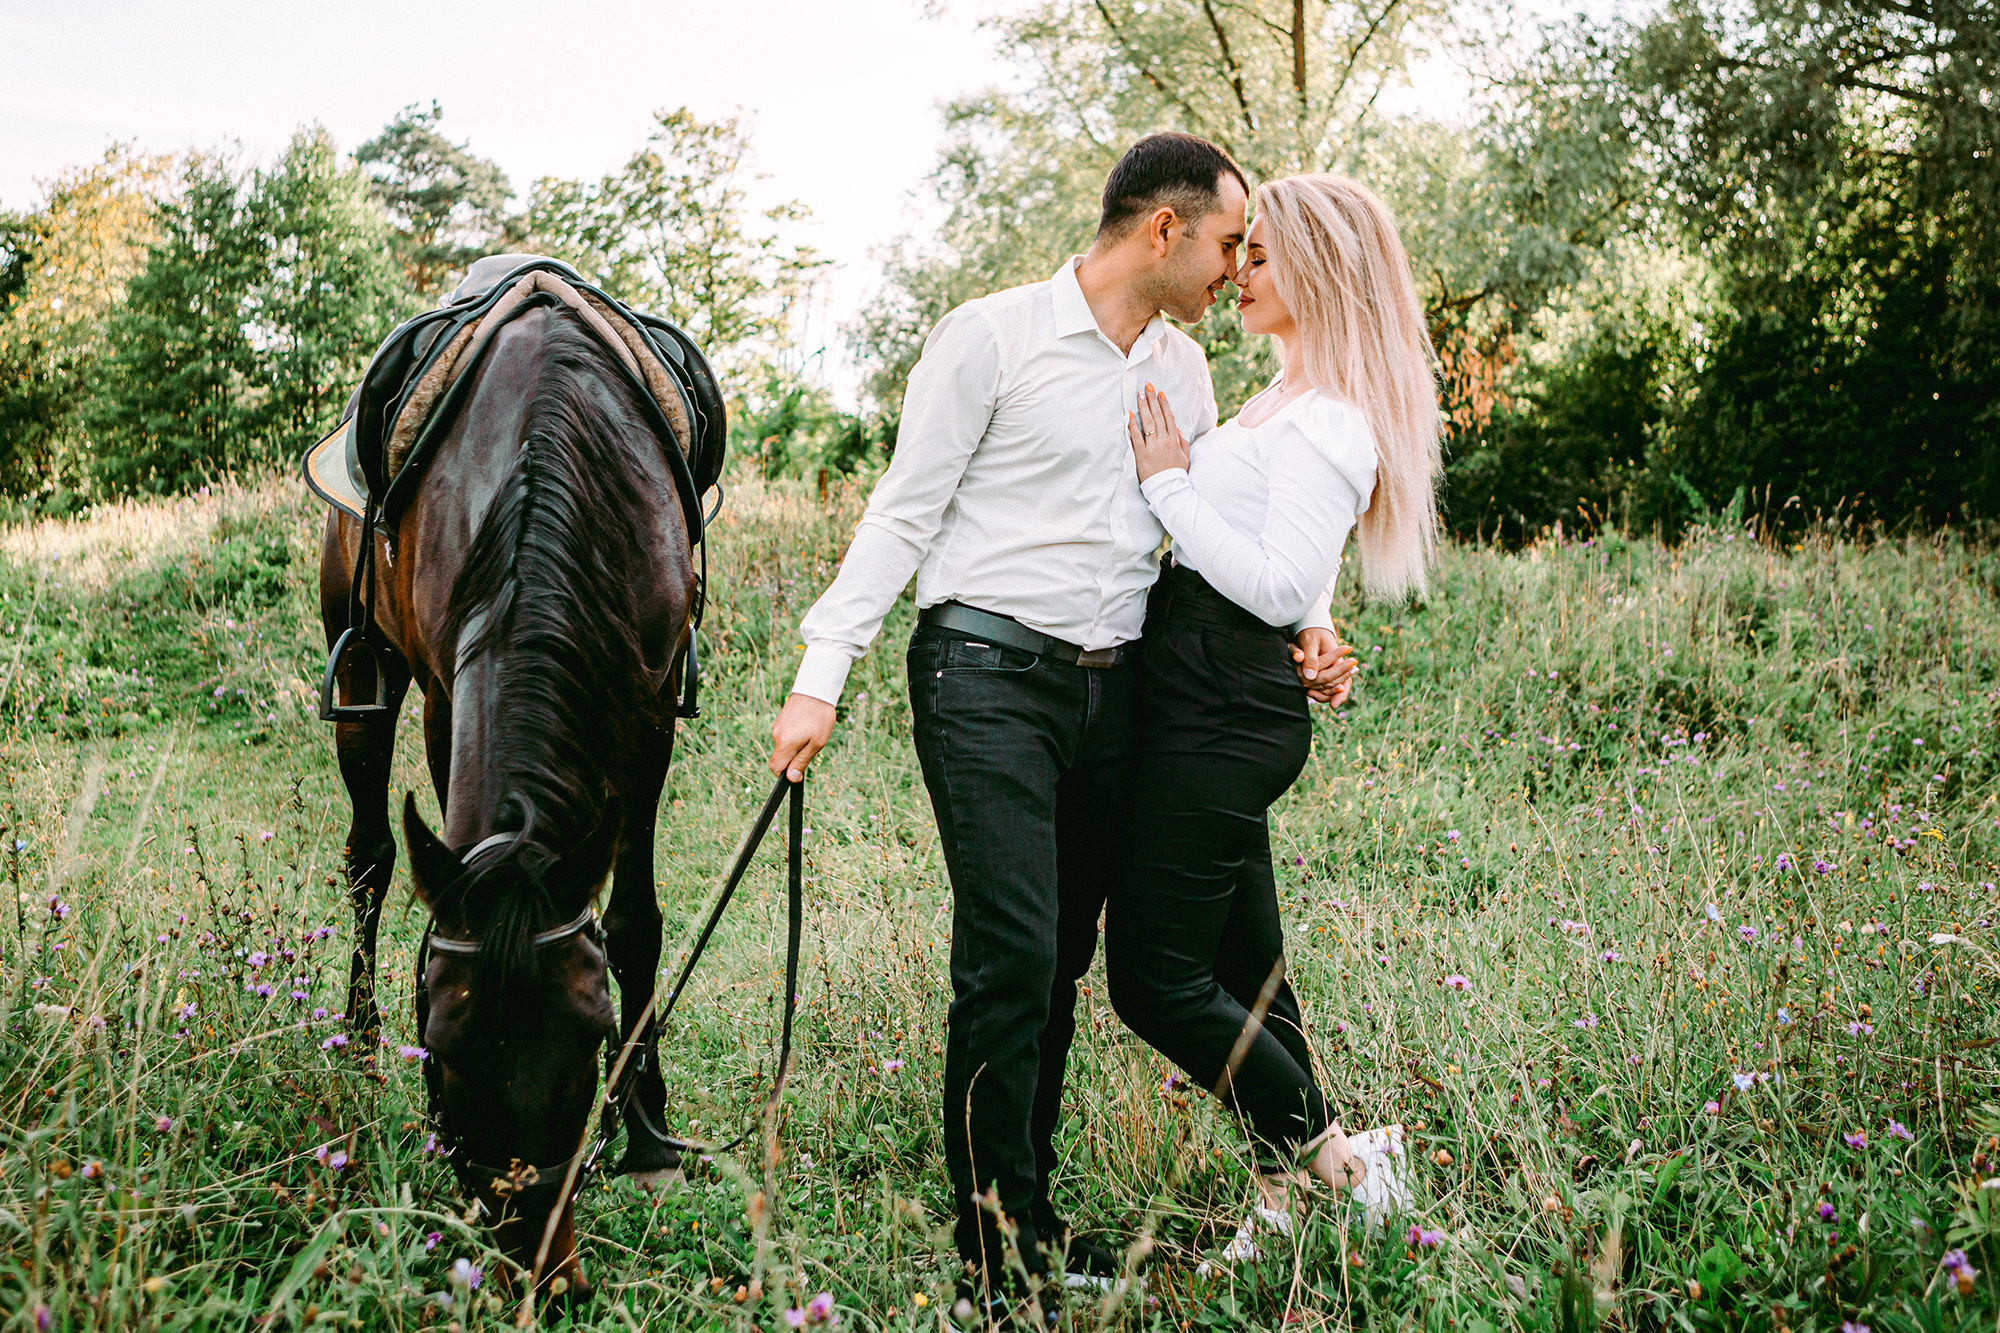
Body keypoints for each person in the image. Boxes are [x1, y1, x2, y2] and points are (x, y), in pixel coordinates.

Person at [765, 133, 1345, 1315]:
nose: (1239, 270)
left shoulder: (1184, 371)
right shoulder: (990, 337)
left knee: (1066, 962)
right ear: (1162, 230)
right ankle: (995, 1264)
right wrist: (823, 671)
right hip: (985, 674)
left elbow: (1216, 525)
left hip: (1119, 688)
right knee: (1011, 957)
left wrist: (1309, 623)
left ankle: (1031, 1227)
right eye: (1230, 243)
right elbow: (901, 512)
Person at [1106, 173, 1442, 1268]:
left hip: (1218, 714)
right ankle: (1293, 1184)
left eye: (1259, 255)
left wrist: (1166, 487)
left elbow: (1269, 571)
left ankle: (1341, 1171)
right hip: (1209, 693)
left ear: (1321, 271)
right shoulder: (1281, 401)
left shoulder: (1327, 420)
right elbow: (1297, 573)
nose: (1237, 271)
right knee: (1249, 973)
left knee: (1152, 979)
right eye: (1238, 253)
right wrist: (1316, 628)